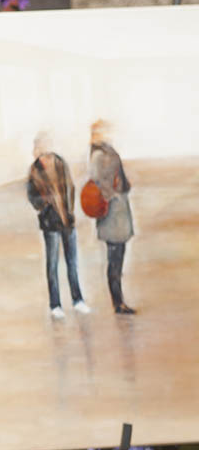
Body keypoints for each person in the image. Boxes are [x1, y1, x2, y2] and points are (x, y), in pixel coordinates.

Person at [26, 132, 90, 319]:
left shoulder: (61, 163)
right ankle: (55, 305)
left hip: (67, 222)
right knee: (52, 265)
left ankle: (78, 301)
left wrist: (69, 211)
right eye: (39, 145)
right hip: (50, 224)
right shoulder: (34, 170)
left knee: (72, 263)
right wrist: (44, 208)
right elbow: (32, 196)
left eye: (42, 145)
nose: (39, 149)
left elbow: (70, 187)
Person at [88, 120, 136, 314]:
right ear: (96, 134)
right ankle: (118, 303)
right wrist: (112, 195)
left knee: (118, 256)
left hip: (118, 211)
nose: (107, 133)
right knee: (114, 258)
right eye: (102, 131)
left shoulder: (106, 150)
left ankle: (119, 300)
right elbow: (96, 181)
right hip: (111, 213)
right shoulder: (98, 154)